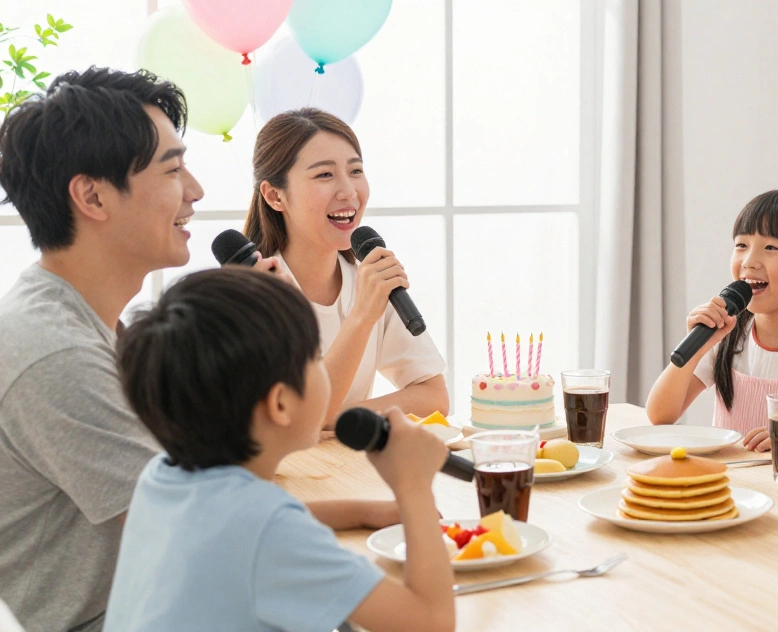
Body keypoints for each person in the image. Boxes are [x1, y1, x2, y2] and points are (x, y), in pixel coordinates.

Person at [106, 268, 455, 631]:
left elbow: (243, 521)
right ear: (281, 404)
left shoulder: (162, 476)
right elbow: (432, 623)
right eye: (316, 359)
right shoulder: (268, 532)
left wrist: (365, 511)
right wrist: (412, 487)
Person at [0, 68, 198, 631]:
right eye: (173, 168)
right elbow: (189, 528)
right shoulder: (51, 348)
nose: (195, 191)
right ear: (92, 195)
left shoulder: (96, 325)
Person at [243, 109, 448, 428]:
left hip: (344, 473)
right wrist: (362, 317)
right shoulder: (252, 291)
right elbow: (294, 422)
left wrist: (337, 418)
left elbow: (432, 397)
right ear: (274, 196)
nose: (349, 192)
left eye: (355, 171)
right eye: (324, 175)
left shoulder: (368, 280)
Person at [647, 190, 778, 460]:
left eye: (770, 247)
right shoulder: (727, 337)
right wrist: (695, 348)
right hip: (725, 489)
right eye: (741, 245)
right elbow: (660, 415)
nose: (749, 261)